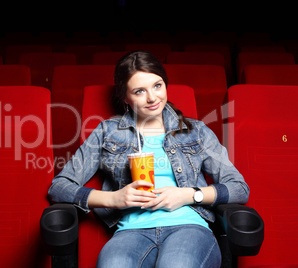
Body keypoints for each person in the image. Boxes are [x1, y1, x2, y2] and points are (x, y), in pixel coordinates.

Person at [48, 51, 249, 268]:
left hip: (189, 227)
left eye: (157, 85)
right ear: (125, 97)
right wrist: (114, 198)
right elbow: (59, 187)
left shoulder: (196, 131)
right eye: (139, 91)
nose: (152, 98)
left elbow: (239, 188)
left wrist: (190, 195)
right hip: (131, 232)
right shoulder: (107, 132)